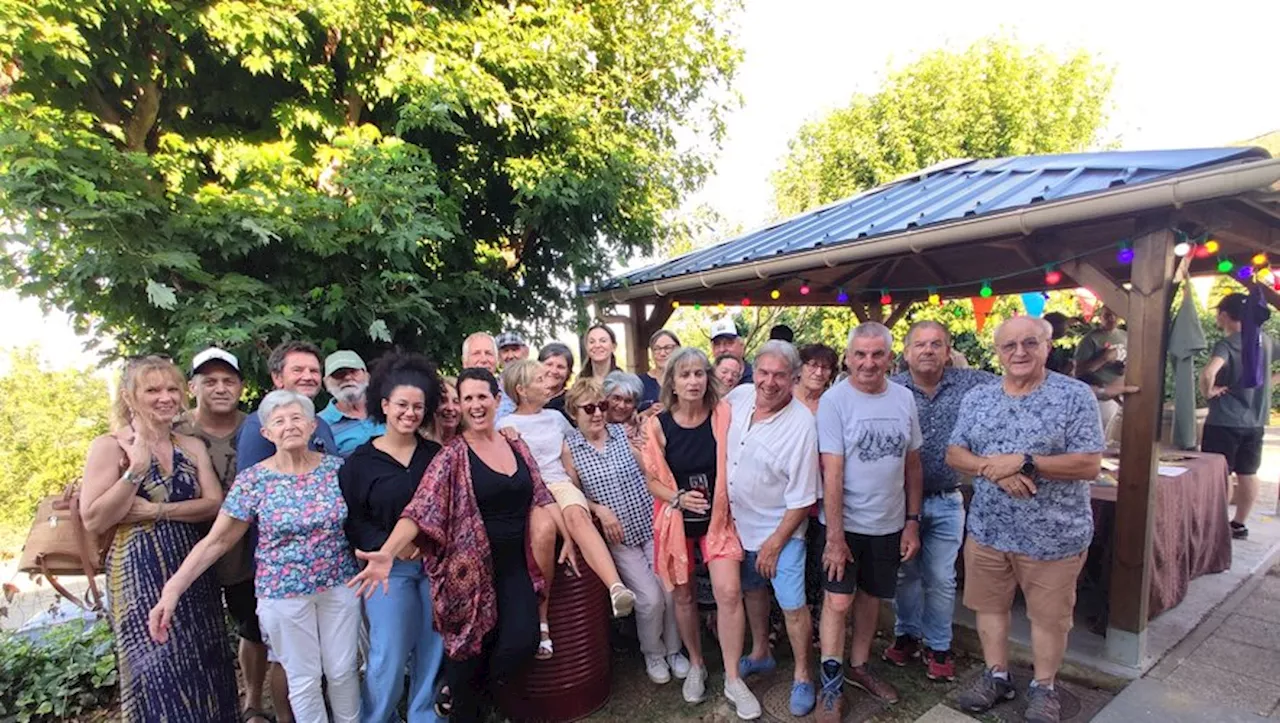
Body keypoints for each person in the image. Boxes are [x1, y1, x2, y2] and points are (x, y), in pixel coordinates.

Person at [347, 369, 560, 723]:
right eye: (467, 399)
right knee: (466, 661)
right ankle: (466, 706)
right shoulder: (450, 456)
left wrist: (565, 538)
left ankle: (479, 696)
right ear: (459, 405)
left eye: (482, 397)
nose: (475, 405)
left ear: (496, 400)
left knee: (520, 642)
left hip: (514, 568)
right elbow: (421, 509)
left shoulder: (516, 444)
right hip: (467, 576)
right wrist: (387, 550)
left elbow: (542, 493)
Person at [153, 390, 360, 723]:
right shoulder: (254, 480)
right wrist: (173, 588)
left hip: (339, 587)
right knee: (304, 677)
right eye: (279, 421)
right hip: (282, 595)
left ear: (311, 427)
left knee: (342, 671)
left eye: (297, 419)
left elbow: (364, 523)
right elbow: (218, 541)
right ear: (267, 433)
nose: (289, 426)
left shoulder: (337, 471)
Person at [946, 316, 1104, 723]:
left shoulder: (1074, 396)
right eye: (1009, 345)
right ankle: (996, 675)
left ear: (1047, 347)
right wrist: (991, 468)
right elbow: (955, 453)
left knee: (1049, 618)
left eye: (1029, 343)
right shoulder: (978, 398)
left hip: (1053, 536)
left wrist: (1028, 461)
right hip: (988, 530)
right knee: (990, 607)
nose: (1019, 352)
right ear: (997, 351)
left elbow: (1088, 463)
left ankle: (1044, 687)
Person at [81, 356, 238, 723]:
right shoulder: (109, 447)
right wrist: (134, 471)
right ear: (130, 396)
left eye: (171, 389)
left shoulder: (190, 445)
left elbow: (214, 504)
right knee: (154, 664)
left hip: (191, 562)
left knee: (205, 658)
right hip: (137, 567)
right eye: (152, 390)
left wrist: (155, 511)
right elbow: (94, 517)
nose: (165, 398)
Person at [640, 346, 759, 719]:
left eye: (698, 374)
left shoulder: (722, 415)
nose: (693, 381)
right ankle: (696, 663)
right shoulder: (657, 424)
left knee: (728, 591)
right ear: (671, 382)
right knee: (685, 596)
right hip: (677, 524)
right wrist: (676, 497)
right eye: (685, 374)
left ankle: (734, 677)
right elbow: (652, 480)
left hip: (719, 520)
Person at [815, 322, 923, 720]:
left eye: (877, 354)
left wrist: (912, 521)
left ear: (890, 358)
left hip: (890, 522)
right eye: (860, 354)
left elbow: (913, 463)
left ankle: (859, 666)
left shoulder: (903, 398)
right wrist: (835, 537)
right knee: (838, 600)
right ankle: (831, 681)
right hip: (844, 525)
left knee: (872, 597)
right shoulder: (835, 401)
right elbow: (833, 472)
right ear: (848, 357)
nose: (868, 362)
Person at [498, 359, 635, 657]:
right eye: (540, 378)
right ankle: (542, 618)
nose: (549, 381)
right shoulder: (506, 425)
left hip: (559, 482)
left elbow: (576, 451)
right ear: (521, 390)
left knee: (577, 515)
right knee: (545, 532)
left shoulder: (556, 418)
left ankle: (615, 588)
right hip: (529, 489)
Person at [884, 322, 997, 681]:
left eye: (936, 344)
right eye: (920, 344)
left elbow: (1016, 386)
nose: (928, 351)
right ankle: (906, 635)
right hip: (901, 502)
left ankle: (938, 644)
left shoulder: (972, 384)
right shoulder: (891, 389)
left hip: (948, 498)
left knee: (941, 577)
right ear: (906, 353)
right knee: (905, 574)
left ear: (949, 351)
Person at [340, 354, 446, 722]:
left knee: (433, 647)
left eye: (418, 407)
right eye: (402, 404)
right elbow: (353, 519)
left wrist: (426, 545)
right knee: (388, 652)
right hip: (387, 572)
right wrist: (392, 549)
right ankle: (378, 716)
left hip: (434, 566)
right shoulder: (359, 462)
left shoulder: (436, 456)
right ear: (384, 405)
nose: (410, 413)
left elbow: (449, 509)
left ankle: (425, 715)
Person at [563, 377, 690, 685]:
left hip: (649, 524)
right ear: (573, 412)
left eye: (601, 406)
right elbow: (572, 493)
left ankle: (674, 650)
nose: (597, 413)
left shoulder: (621, 433)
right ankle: (653, 652)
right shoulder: (570, 448)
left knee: (670, 591)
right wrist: (597, 509)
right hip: (620, 539)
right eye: (589, 408)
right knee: (648, 599)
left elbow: (650, 470)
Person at [236, 340, 338, 721]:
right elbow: (249, 502)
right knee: (290, 663)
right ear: (277, 377)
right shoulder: (258, 427)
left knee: (320, 663)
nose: (309, 376)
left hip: (328, 572)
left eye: (314, 370)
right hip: (279, 573)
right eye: (299, 370)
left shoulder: (319, 422)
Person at [724, 341, 821, 717]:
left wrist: (775, 544)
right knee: (752, 592)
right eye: (763, 372)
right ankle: (760, 652)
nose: (769, 381)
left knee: (793, 605)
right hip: (737, 526)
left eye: (780, 375)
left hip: (780, 530)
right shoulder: (739, 396)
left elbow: (802, 497)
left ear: (794, 378)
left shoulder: (802, 425)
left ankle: (801, 675)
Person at [174, 348, 265, 721]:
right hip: (187, 544)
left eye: (229, 381)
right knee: (194, 631)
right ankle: (202, 704)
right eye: (209, 381)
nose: (220, 388)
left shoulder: (258, 425)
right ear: (192, 386)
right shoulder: (174, 427)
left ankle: (253, 703)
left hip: (247, 551)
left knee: (253, 629)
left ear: (241, 387)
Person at [1201, 293, 1280, 540]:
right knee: (1248, 472)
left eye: (1218, 313)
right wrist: (1270, 384)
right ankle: (1239, 524)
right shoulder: (1265, 340)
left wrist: (1208, 391)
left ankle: (1218, 524)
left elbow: (1208, 373)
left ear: (1225, 315)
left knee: (1219, 472)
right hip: (1255, 421)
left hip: (1224, 420)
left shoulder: (1228, 343)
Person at [320, 350, 385, 457]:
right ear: (326, 383)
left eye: (353, 371)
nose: (347, 377)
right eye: (339, 374)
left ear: (367, 376)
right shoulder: (319, 425)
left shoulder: (388, 408)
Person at [1074, 306, 1127, 434]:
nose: (1112, 318)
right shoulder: (1090, 339)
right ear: (1100, 318)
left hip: (1122, 392)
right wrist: (1104, 358)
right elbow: (1079, 372)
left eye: (1115, 314)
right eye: (1107, 315)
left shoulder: (1125, 336)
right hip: (1100, 396)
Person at [641, 330, 680, 410]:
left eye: (668, 348)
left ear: (679, 349)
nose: (662, 353)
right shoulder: (640, 382)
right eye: (657, 349)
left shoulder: (689, 379)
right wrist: (648, 412)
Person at [538, 342, 576, 421]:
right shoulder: (527, 399)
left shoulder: (572, 402)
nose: (554, 371)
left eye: (560, 367)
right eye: (549, 364)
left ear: (568, 372)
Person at [797, 344, 838, 414]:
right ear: (799, 368)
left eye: (825, 367)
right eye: (813, 365)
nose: (819, 373)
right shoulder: (784, 396)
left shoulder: (833, 403)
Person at [710, 317, 753, 385]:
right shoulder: (706, 380)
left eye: (728, 343)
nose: (722, 349)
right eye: (717, 344)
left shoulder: (755, 378)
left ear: (741, 345)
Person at [424, 376, 461, 445]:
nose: (450, 408)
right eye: (443, 401)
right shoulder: (417, 442)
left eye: (456, 401)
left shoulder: (468, 446)